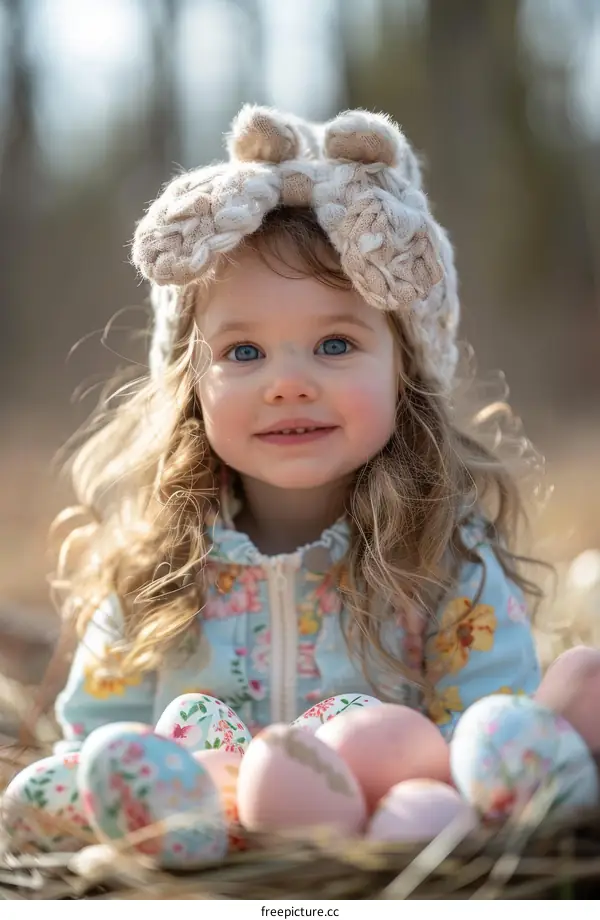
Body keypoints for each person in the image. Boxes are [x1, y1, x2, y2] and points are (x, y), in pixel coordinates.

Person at [3, 105, 544, 856]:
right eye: (244, 353)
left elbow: (493, 725)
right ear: (190, 384)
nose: (287, 384)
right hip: (194, 859)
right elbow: (102, 735)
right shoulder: (157, 561)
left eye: (333, 342)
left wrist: (432, 800)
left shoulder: (446, 556)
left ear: (405, 370)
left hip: (385, 862)